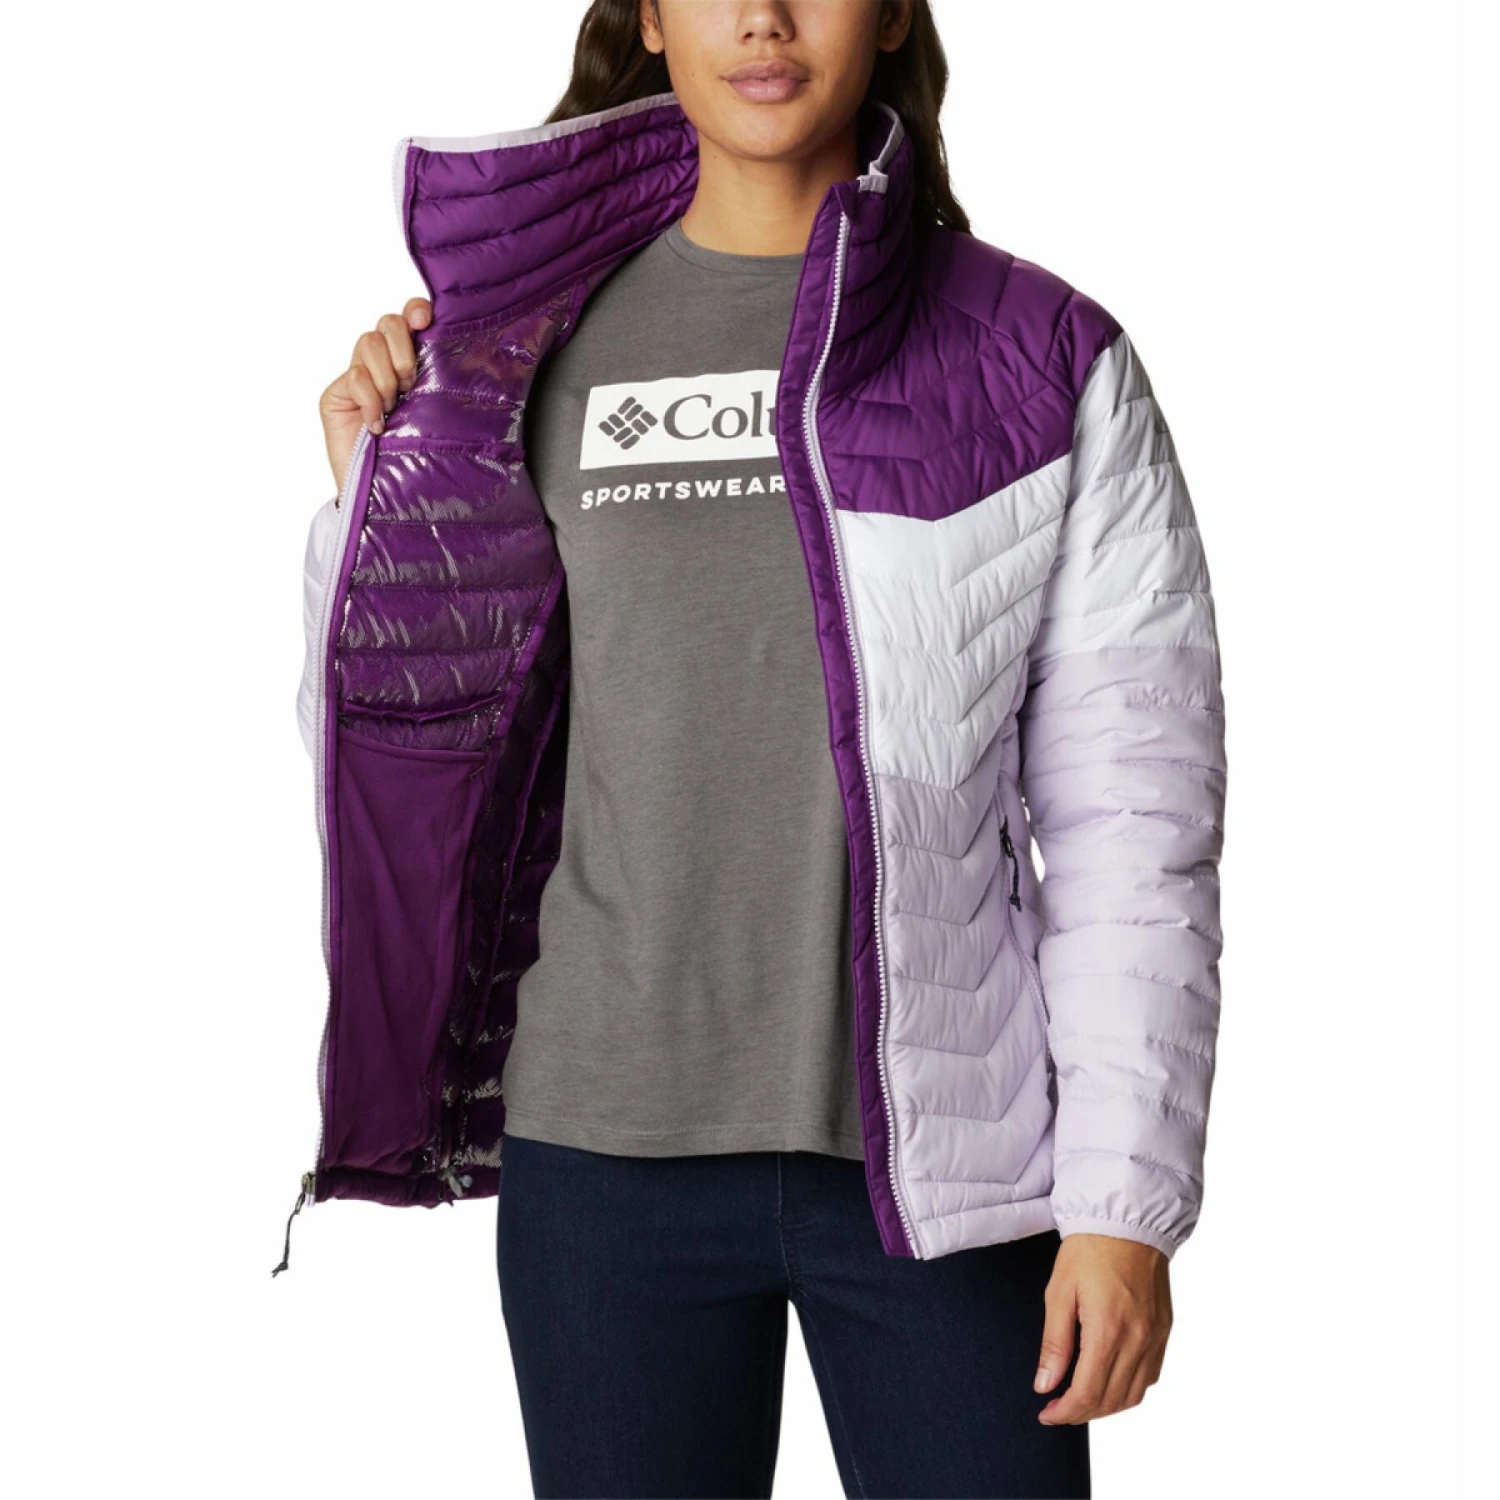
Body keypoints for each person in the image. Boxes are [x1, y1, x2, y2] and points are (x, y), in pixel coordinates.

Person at [298, 3, 1226, 1496]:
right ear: (650, 18)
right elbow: (413, 751)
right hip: (603, 1161)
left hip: (943, 1167)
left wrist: (1125, 1208)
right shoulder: (513, 350)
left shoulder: (1039, 355)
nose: (764, 17)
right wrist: (378, 507)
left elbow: (1136, 815)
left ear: (896, 9)